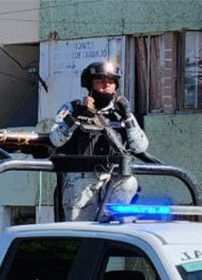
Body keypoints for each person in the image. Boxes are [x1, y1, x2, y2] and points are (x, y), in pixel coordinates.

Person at [49, 60, 149, 221]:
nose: (106, 85)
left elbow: (140, 147)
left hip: (113, 177)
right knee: (81, 233)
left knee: (129, 182)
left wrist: (128, 117)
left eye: (110, 82)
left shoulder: (121, 114)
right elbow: (55, 140)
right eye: (100, 81)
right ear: (90, 85)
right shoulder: (72, 108)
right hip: (81, 180)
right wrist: (75, 117)